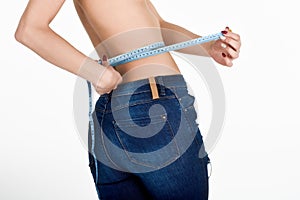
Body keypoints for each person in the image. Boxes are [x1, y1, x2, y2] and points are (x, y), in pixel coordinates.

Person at [15, 0, 241, 199]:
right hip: (154, 105)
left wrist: (206, 46)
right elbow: (30, 30)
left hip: (113, 115)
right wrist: (94, 72)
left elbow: (156, 26)